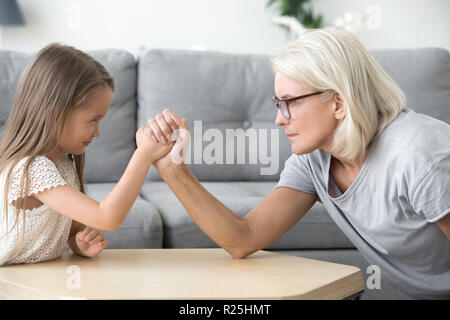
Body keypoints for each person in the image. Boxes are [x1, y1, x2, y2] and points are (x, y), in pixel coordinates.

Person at [145, 28, 450, 299]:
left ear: (338, 103)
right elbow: (244, 238)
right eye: (279, 105)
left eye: (290, 103)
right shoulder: (313, 160)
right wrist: (174, 169)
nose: (279, 119)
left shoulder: (420, 157)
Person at [0, 43, 172, 265]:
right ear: (54, 113)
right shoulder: (32, 169)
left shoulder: (62, 164)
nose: (98, 132)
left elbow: (67, 224)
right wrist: (144, 155)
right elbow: (106, 217)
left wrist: (77, 241)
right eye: (93, 120)